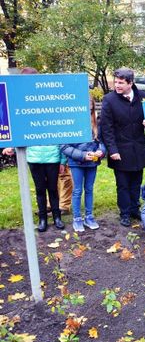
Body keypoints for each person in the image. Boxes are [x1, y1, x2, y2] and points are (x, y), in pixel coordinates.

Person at [2, 67, 66, 232]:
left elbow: (61, 132)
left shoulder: (49, 103)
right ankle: (43, 219)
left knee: (53, 188)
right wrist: (13, 148)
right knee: (39, 189)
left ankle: (57, 217)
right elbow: (20, 132)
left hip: (52, 156)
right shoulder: (22, 103)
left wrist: (63, 160)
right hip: (34, 157)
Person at [100, 67, 145, 227]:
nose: (116, 85)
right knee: (123, 184)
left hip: (138, 149)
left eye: (121, 83)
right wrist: (112, 150)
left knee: (136, 182)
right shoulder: (109, 100)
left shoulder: (144, 98)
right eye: (116, 82)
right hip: (120, 150)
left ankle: (134, 209)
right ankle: (124, 213)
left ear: (130, 83)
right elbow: (106, 128)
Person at [60, 97, 106, 232]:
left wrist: (100, 152)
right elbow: (64, 146)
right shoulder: (70, 123)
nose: (88, 109)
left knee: (89, 189)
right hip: (76, 162)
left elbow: (102, 142)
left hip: (92, 162)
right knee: (77, 190)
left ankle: (89, 216)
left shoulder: (97, 123)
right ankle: (77, 218)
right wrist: (82, 155)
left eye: (90, 107)